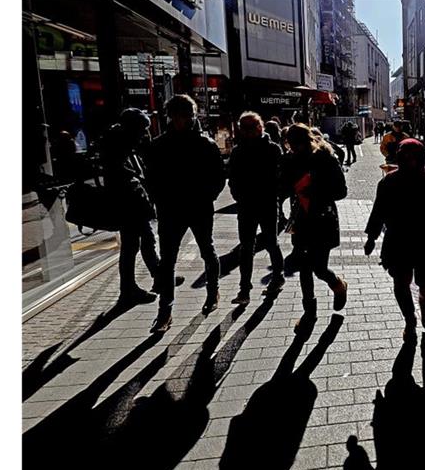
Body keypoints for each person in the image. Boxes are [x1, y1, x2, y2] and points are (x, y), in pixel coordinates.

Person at [365, 138, 425, 339]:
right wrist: (371, 237)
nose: (409, 161)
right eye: (405, 157)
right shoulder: (388, 182)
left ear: (421, 158)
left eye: (414, 157)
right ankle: (409, 320)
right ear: (399, 158)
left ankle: (424, 301)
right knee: (400, 283)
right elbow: (378, 211)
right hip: (397, 241)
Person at [145, 94, 225, 331]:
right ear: (170, 117)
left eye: (186, 116)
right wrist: (159, 199)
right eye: (178, 116)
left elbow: (218, 177)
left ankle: (212, 293)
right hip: (171, 209)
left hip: (198, 206)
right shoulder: (159, 145)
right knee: (167, 260)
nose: (182, 120)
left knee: (207, 250)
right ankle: (165, 311)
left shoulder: (205, 144)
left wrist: (207, 196)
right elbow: (151, 178)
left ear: (192, 116)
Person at [282, 123, 349, 326]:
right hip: (302, 219)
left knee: (319, 268)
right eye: (291, 145)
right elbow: (283, 185)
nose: (295, 149)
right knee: (304, 267)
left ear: (308, 140)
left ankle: (338, 285)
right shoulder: (291, 160)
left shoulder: (325, 158)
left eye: (298, 145)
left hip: (323, 219)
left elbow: (341, 190)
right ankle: (309, 313)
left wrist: (315, 191)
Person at [101, 108, 160, 306]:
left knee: (144, 241)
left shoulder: (122, 144)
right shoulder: (119, 147)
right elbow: (129, 180)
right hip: (129, 207)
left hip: (132, 205)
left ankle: (156, 277)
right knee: (131, 247)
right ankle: (128, 290)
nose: (144, 134)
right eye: (143, 129)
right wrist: (145, 203)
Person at [229, 112, 286, 305]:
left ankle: (278, 277)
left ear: (260, 127)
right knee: (246, 247)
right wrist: (237, 194)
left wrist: (276, 193)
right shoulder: (238, 151)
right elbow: (233, 176)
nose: (248, 131)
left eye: (252, 127)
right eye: (244, 128)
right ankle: (244, 289)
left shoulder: (272, 149)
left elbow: (281, 176)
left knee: (271, 242)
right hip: (246, 204)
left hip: (267, 202)